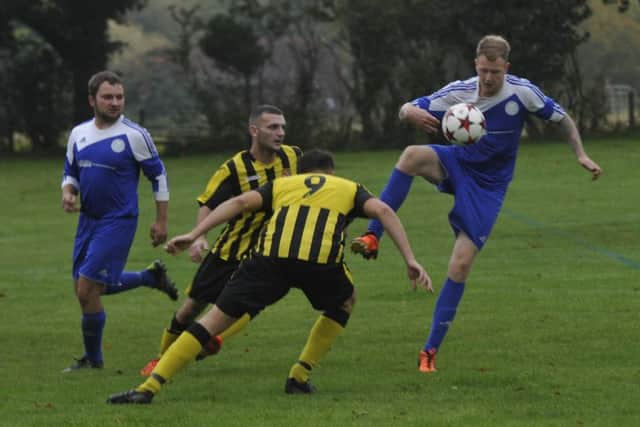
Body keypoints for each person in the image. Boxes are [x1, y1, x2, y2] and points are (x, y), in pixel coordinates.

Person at [350, 35, 602, 373]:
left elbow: (563, 119)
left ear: (506, 68)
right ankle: (372, 235)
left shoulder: (522, 92)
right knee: (411, 155)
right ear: (476, 65)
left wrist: (581, 154)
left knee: (460, 265)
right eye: (483, 70)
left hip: (489, 187)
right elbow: (406, 108)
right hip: (457, 164)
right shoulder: (461, 90)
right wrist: (410, 112)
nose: (488, 78)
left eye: (495, 72)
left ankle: (429, 352)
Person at [106, 149, 433, 404]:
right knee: (344, 301)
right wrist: (410, 259)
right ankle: (299, 377)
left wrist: (195, 233)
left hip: (269, 260)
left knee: (213, 318)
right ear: (331, 172)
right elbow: (384, 211)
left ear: (301, 172)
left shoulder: (283, 184)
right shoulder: (349, 188)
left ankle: (148, 388)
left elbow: (237, 203)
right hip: (318, 262)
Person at [139, 105, 301, 376]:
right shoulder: (234, 168)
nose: (280, 133)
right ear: (254, 131)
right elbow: (209, 203)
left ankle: (213, 339)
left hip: (268, 253)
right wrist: (199, 236)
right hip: (230, 251)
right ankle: (161, 359)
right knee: (190, 309)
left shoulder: (292, 157)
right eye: (273, 127)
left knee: (249, 305)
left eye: (282, 127)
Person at [61, 70, 178, 372]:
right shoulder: (79, 133)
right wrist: (68, 192)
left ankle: (93, 360)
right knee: (86, 290)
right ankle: (149, 277)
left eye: (119, 97)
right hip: (88, 220)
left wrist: (161, 220)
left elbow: (159, 175)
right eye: (107, 97)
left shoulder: (134, 135)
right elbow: (70, 171)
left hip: (118, 220)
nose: (115, 103)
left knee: (87, 289)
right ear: (92, 100)